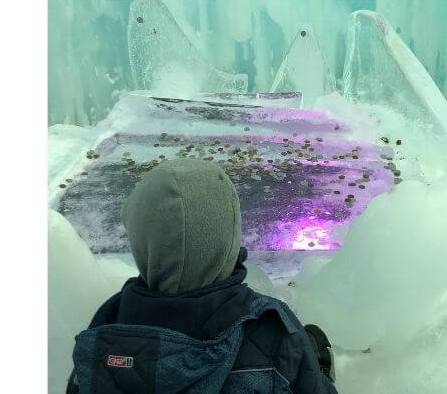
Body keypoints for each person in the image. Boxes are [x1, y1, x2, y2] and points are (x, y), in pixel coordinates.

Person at [67, 158, 337, 393]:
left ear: (142, 242)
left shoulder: (107, 324)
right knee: (307, 346)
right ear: (228, 232)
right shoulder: (273, 326)